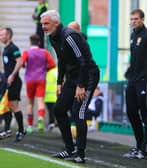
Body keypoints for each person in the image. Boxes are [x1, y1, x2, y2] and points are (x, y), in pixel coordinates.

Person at [40, 10, 100, 163]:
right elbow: (61, 61)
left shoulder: (69, 36)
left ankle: (80, 153)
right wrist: (59, 82)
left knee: (77, 113)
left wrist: (81, 85)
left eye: (46, 24)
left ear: (56, 23)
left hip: (88, 76)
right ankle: (69, 149)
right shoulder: (53, 38)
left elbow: (83, 62)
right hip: (73, 77)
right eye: (42, 24)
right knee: (58, 110)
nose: (43, 27)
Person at [123, 9, 147, 159]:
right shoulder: (133, 36)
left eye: (136, 19)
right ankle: (139, 146)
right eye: (131, 19)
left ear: (142, 19)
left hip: (145, 82)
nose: (133, 21)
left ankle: (145, 150)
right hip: (133, 81)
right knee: (131, 113)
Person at [9, 34, 56, 133]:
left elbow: (22, 63)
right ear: (39, 42)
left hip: (30, 79)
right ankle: (40, 118)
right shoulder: (45, 52)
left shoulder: (27, 52)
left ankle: (30, 126)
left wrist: (25, 67)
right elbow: (52, 64)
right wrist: (45, 69)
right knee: (40, 101)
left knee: (30, 103)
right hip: (41, 78)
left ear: (30, 42)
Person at [0, 27, 26, 142]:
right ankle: (7, 129)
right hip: (7, 82)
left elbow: (20, 61)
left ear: (8, 35)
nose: (0, 37)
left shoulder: (13, 48)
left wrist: (12, 75)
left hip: (14, 82)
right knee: (7, 106)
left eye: (2, 35)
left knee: (14, 106)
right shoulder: (6, 49)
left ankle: (21, 130)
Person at [44, 66, 58, 131]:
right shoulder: (46, 72)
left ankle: (52, 123)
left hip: (53, 96)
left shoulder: (54, 71)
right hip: (48, 96)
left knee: (52, 111)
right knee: (51, 111)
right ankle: (52, 123)